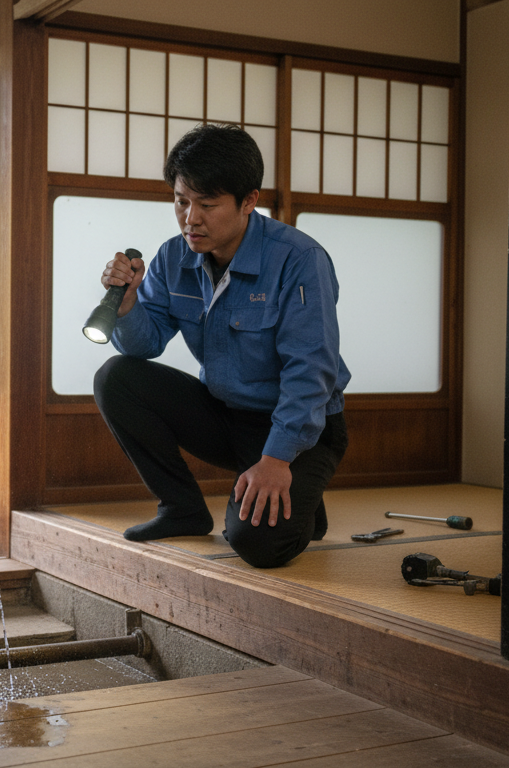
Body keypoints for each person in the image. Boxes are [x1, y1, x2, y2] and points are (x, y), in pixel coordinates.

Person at [93, 124, 349, 568]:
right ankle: (182, 508)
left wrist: (276, 458)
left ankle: (299, 494)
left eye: (207, 205)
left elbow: (311, 373)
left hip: (298, 430)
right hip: (226, 415)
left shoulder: (299, 260)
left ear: (249, 200)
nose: (190, 218)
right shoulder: (175, 257)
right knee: (117, 377)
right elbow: (145, 345)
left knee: (257, 545)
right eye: (181, 201)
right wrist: (129, 305)